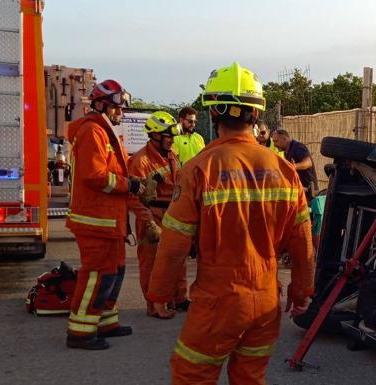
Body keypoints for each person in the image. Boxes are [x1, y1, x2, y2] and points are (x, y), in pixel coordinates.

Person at [147, 62, 315, 384]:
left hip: (218, 301)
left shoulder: (199, 169)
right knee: (250, 377)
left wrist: (159, 292)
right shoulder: (285, 170)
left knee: (191, 375)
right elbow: (303, 241)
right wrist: (303, 288)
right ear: (256, 115)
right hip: (266, 301)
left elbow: (175, 244)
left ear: (212, 113)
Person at [65, 79, 145, 350]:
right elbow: (95, 176)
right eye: (116, 108)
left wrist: (132, 182)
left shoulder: (105, 132)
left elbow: (115, 172)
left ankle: (105, 322)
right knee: (97, 274)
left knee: (115, 271)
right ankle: (81, 332)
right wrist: (129, 185)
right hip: (95, 219)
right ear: (100, 104)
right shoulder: (92, 132)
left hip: (110, 219)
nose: (119, 114)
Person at [128, 111, 190, 319]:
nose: (171, 140)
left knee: (177, 258)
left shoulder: (171, 155)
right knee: (152, 262)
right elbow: (133, 198)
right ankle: (154, 304)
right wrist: (148, 224)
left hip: (171, 213)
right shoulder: (141, 160)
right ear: (155, 135)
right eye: (168, 135)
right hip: (151, 215)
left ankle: (179, 299)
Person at [272, 129, 318, 202]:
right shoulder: (286, 152)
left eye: (276, 141)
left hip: (310, 191)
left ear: (284, 139)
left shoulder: (298, 147)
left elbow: (308, 163)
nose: (274, 144)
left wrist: (294, 166)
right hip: (300, 190)